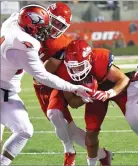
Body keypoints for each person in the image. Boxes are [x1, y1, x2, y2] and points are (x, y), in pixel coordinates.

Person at [0, 5, 91, 165]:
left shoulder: (13, 21)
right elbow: (43, 76)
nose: (47, 30)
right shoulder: (26, 43)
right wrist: (74, 88)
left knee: (25, 130)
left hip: (8, 91)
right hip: (8, 88)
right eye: (42, 27)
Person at [33, 3, 113, 165]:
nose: (54, 27)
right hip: (40, 85)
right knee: (67, 128)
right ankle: (102, 154)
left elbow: (50, 72)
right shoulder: (30, 28)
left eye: (59, 25)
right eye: (53, 21)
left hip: (57, 83)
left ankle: (69, 152)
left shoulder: (61, 44)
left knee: (56, 116)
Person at [63, 39, 130, 166]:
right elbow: (72, 102)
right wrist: (84, 98)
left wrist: (109, 93)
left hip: (113, 88)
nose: (77, 71)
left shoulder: (100, 59)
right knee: (91, 131)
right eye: (73, 67)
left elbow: (123, 79)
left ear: (89, 59)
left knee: (137, 118)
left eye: (80, 66)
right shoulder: (65, 73)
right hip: (93, 95)